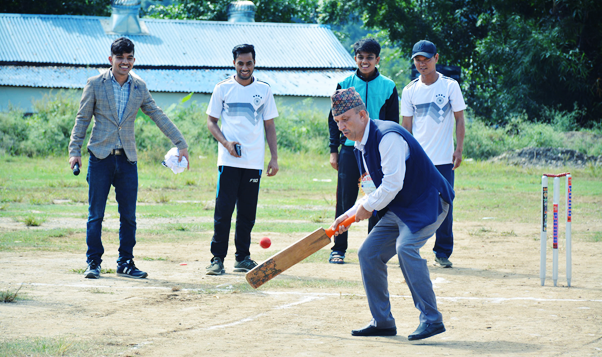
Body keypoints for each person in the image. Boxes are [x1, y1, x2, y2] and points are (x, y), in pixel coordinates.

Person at [329, 87, 454, 340]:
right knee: (368, 253)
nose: (341, 126)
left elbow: (392, 184)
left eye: (346, 119)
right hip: (400, 207)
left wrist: (365, 209)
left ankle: (432, 319)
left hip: (428, 202)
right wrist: (350, 214)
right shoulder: (359, 146)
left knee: (406, 248)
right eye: (337, 121)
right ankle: (383, 321)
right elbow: (374, 188)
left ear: (362, 115)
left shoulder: (387, 136)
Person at [68, 37, 190, 279]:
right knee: (96, 215)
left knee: (129, 216)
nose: (125, 62)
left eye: (129, 58)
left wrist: (181, 143)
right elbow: (82, 120)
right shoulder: (95, 84)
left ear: (134, 59)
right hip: (100, 157)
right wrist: (74, 151)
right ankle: (93, 263)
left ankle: (125, 262)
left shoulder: (139, 87)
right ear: (110, 59)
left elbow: (157, 114)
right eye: (120, 58)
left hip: (127, 159)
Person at [205, 44, 279, 275]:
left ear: (254, 63)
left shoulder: (264, 90)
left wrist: (274, 158)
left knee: (247, 213)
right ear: (234, 63)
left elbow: (269, 125)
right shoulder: (222, 88)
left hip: (253, 163)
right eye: (240, 63)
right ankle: (217, 259)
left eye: (249, 63)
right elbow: (211, 122)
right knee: (223, 212)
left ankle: (242, 258)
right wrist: (227, 144)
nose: (245, 67)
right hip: (228, 163)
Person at [327, 38, 400, 264]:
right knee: (345, 199)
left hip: (377, 151)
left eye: (369, 57)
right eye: (360, 57)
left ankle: (373, 249)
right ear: (355, 58)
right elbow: (333, 119)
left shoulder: (388, 86)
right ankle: (338, 249)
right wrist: (334, 149)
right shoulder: (345, 83)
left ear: (377, 59)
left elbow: (392, 121)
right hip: (350, 150)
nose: (364, 61)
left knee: (377, 199)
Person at [401, 40, 466, 268]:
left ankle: (442, 252)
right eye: (418, 60)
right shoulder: (409, 90)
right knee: (414, 204)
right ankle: (411, 249)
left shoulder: (450, 86)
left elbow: (459, 119)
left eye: (426, 59)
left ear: (436, 58)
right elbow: (406, 127)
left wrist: (458, 149)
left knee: (445, 205)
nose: (422, 64)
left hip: (444, 160)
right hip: (419, 161)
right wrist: (405, 156)